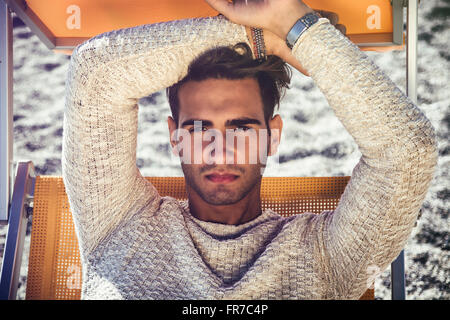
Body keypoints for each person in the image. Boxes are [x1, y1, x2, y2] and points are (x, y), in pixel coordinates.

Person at [62, 0, 437, 299]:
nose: (219, 151)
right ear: (175, 136)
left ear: (273, 136)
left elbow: (409, 151)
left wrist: (298, 25)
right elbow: (95, 73)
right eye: (197, 128)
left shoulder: (327, 258)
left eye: (241, 128)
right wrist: (268, 38)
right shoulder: (119, 224)